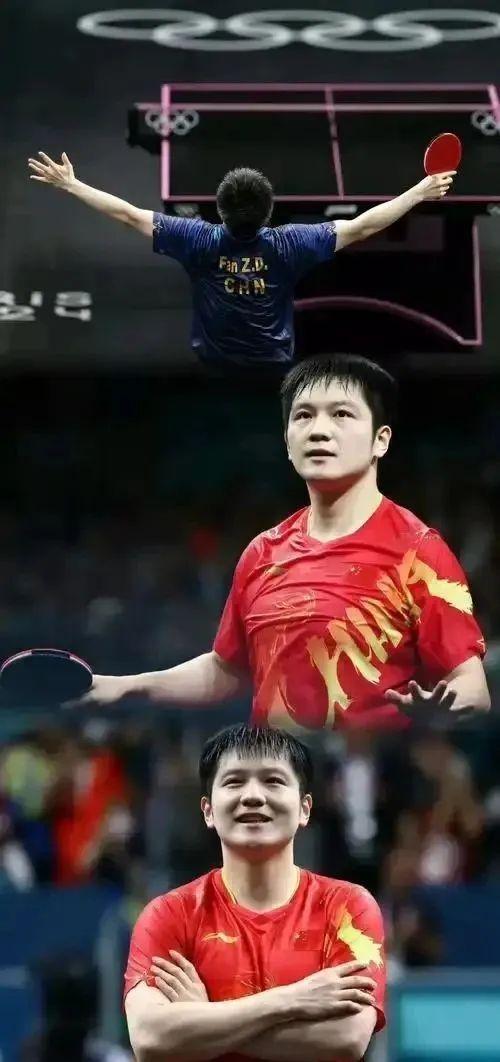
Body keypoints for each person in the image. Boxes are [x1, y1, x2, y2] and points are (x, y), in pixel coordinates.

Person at [77, 353, 489, 731]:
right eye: (304, 415)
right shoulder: (262, 552)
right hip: (276, 775)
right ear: (288, 442)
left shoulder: (419, 551)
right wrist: (123, 686)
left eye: (341, 414)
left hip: (372, 774)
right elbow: (227, 671)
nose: (319, 430)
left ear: (380, 440)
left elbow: (473, 686)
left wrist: (443, 706)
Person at [28, 154, 455, 368]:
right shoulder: (291, 243)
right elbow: (361, 226)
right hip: (274, 364)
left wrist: (73, 184)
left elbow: (128, 215)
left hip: (212, 363)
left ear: (220, 210)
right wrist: (419, 192)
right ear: (269, 213)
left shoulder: (196, 238)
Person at [124, 724, 386, 1062]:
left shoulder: (347, 907)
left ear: (305, 808)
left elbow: (346, 1039)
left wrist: (205, 1018)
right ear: (208, 810)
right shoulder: (169, 914)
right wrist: (292, 1000)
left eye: (273, 781)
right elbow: (149, 1037)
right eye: (234, 782)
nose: (252, 796)